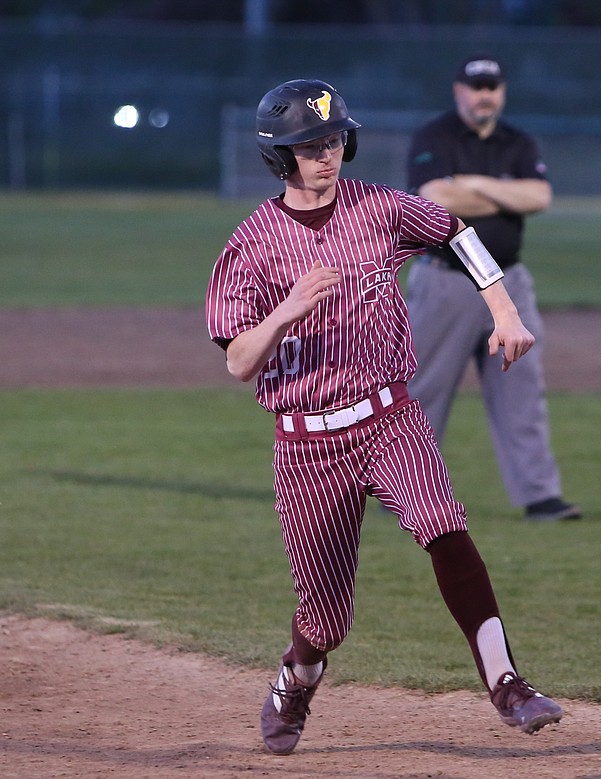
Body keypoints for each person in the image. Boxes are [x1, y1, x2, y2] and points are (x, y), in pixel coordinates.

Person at [205, 78, 563, 756]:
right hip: (308, 444)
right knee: (325, 615)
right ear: (280, 157)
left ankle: (507, 682)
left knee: (444, 525)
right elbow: (238, 359)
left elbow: (456, 230)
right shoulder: (250, 245)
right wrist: (289, 310)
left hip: (390, 415)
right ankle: (298, 672)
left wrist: (505, 307)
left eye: (335, 140)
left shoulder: (377, 207)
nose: (327, 155)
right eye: (309, 146)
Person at [405, 53, 581, 523]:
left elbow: (539, 197)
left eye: (492, 87)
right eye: (476, 86)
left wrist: (474, 184)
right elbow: (434, 199)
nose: (485, 95)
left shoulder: (517, 140)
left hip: (510, 282)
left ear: (501, 92)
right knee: (423, 391)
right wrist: (506, 193)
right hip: (446, 281)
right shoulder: (435, 136)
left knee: (522, 391)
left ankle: (541, 496)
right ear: (458, 91)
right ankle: (401, 488)